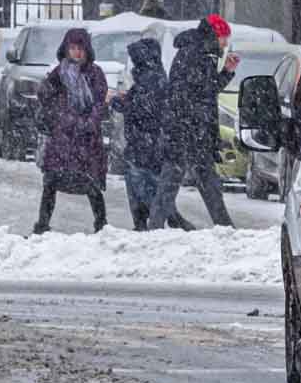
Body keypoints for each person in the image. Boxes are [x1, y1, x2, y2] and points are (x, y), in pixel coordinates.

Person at [153, 15, 238, 229]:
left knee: (200, 182)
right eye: (223, 38)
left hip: (190, 130)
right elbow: (192, 95)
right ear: (213, 35)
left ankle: (224, 226)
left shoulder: (199, 53)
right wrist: (195, 125)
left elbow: (204, 90)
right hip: (187, 131)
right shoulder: (195, 54)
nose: (225, 43)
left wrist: (226, 72)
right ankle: (154, 226)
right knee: (175, 182)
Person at [33, 28, 108, 234]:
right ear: (66, 50)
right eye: (72, 48)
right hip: (62, 139)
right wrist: (58, 114)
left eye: (80, 48)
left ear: (87, 50)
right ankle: (42, 225)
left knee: (91, 185)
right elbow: (46, 100)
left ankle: (102, 227)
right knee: (50, 183)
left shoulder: (95, 74)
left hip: (86, 140)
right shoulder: (59, 74)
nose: (76, 53)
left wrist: (87, 122)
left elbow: (99, 104)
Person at [109, 37, 169, 231]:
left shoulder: (150, 79)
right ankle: (150, 223)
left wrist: (118, 102)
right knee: (146, 187)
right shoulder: (154, 77)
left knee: (140, 187)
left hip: (144, 145)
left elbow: (141, 109)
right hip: (148, 144)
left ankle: (145, 225)